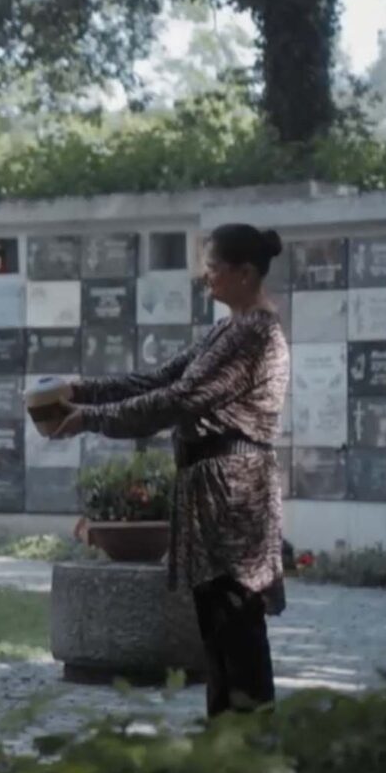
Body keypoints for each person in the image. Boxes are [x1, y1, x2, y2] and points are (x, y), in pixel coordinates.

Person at [47, 223, 290, 717]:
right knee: (217, 627)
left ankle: (249, 739)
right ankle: (227, 737)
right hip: (213, 487)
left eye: (213, 267)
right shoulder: (229, 328)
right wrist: (82, 390)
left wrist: (90, 418)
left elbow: (180, 399)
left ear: (245, 273)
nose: (205, 277)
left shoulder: (254, 334)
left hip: (234, 489)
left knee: (236, 623)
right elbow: (159, 379)